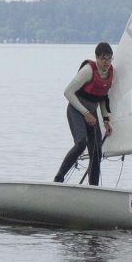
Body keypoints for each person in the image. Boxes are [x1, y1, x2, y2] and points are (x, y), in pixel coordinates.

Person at [53, 42, 115, 186]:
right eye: (103, 59)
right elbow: (67, 92)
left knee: (97, 152)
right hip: (76, 110)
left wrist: (106, 121)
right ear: (97, 58)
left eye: (109, 59)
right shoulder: (88, 70)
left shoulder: (111, 73)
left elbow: (103, 98)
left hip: (91, 114)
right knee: (81, 143)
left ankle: (93, 187)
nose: (107, 62)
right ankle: (58, 179)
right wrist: (85, 113)